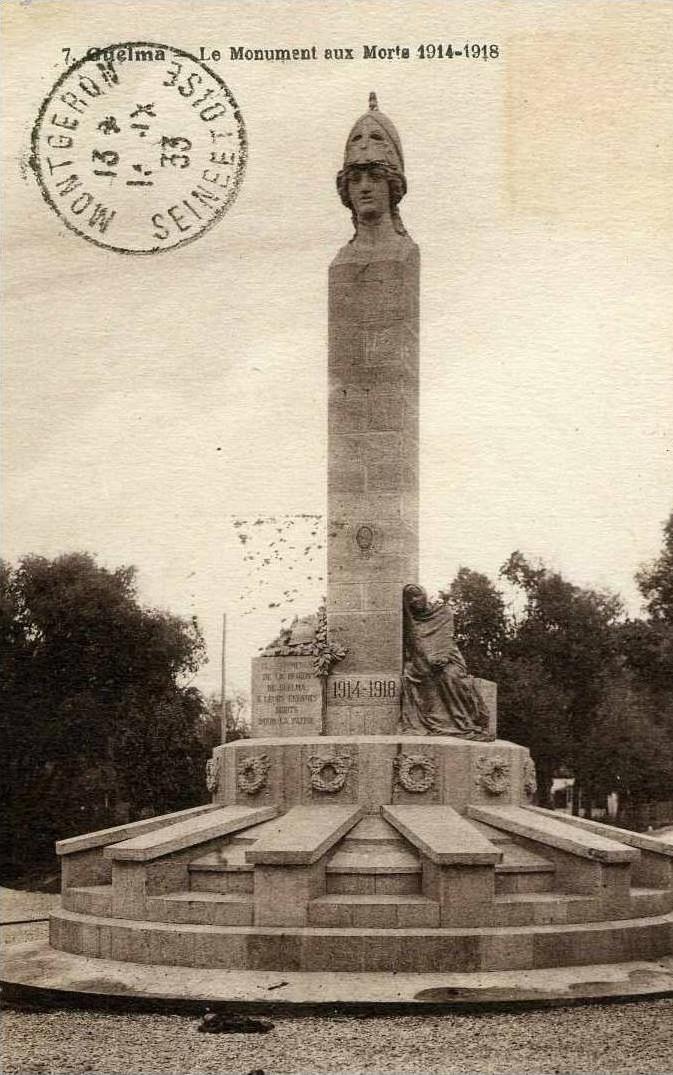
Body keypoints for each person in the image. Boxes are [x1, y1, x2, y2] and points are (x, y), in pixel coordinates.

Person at [401, 584, 493, 739]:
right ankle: (444, 722)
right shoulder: (409, 621)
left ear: (425, 594)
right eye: (409, 598)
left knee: (450, 675)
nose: (414, 600)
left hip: (449, 658)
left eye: (417, 595)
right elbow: (415, 646)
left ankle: (463, 722)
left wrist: (442, 658)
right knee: (416, 675)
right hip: (422, 661)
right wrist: (425, 660)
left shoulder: (443, 612)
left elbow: (446, 639)